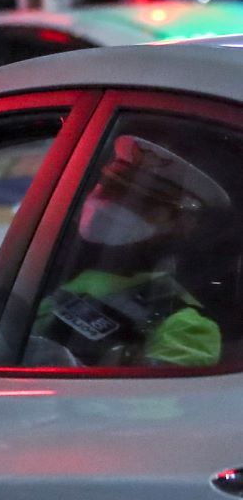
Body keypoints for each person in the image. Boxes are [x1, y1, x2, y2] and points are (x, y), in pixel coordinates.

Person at [29, 134, 227, 368]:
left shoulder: (188, 326)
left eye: (143, 204)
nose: (115, 206)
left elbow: (144, 403)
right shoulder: (60, 272)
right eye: (112, 190)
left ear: (182, 224)